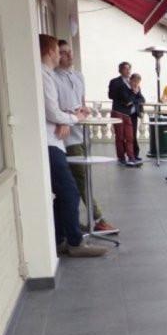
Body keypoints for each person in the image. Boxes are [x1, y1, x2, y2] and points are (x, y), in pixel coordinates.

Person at [39, 34, 107, 258]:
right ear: (51, 51)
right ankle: (76, 241)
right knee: (70, 190)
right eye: (60, 51)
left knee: (64, 191)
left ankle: (60, 239)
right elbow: (53, 110)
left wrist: (73, 115)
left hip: (62, 136)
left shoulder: (70, 75)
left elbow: (70, 106)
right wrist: (71, 118)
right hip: (54, 140)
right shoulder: (46, 75)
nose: (64, 55)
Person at [54, 40, 118, 234]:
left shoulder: (78, 75)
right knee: (80, 179)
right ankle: (97, 218)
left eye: (69, 52)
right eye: (64, 53)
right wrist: (70, 115)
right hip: (66, 136)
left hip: (82, 132)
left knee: (81, 179)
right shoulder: (53, 78)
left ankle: (74, 222)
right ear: (57, 56)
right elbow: (54, 107)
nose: (69, 55)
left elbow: (81, 100)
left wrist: (85, 109)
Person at [108, 61, 142, 167]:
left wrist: (132, 97)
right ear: (120, 70)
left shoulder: (132, 82)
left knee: (130, 136)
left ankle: (131, 157)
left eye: (129, 69)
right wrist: (126, 98)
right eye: (126, 69)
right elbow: (111, 95)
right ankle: (121, 157)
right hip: (118, 111)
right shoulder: (115, 81)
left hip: (128, 113)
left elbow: (139, 97)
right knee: (120, 136)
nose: (128, 71)